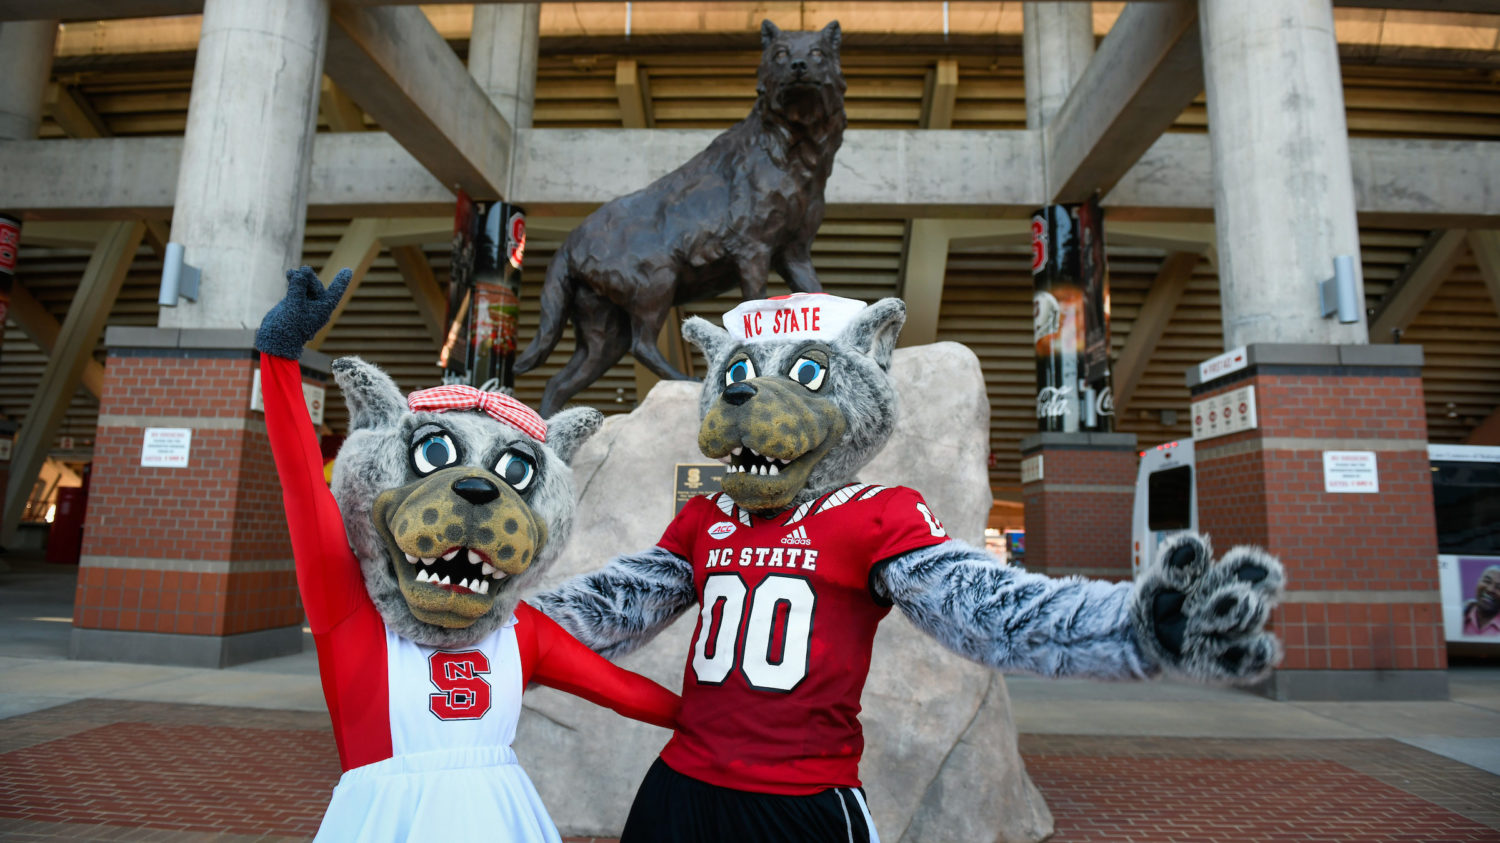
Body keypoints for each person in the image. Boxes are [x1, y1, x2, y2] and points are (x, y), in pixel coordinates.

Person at [1462, 565, 1500, 636]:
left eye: (1499, 587)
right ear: (1478, 582)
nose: (1490, 589)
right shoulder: (1461, 615)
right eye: (1487, 581)